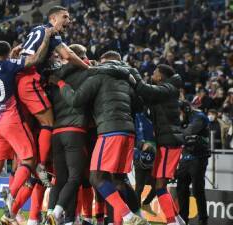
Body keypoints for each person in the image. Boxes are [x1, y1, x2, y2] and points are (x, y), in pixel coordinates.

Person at [50, 51, 148, 225]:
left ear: (104, 63)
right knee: (119, 179)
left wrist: (59, 82)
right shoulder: (126, 78)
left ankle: (127, 216)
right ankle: (137, 216)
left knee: (96, 178)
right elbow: (139, 105)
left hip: (109, 131)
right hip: (128, 132)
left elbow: (75, 100)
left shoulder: (98, 76)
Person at [0, 27, 55, 225]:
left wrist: (11, 56)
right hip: (11, 120)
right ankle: (10, 194)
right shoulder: (9, 66)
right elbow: (34, 60)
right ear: (8, 54)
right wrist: (45, 41)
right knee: (29, 160)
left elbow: (4, 63)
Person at [16, 6, 90, 186]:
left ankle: (22, 170)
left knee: (28, 129)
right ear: (53, 18)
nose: (69, 21)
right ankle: (40, 165)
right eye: (65, 17)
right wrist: (88, 68)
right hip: (29, 79)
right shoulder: (52, 33)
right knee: (48, 123)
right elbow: (68, 54)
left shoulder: (36, 30)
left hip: (19, 78)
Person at [132, 64, 186, 225]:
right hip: (165, 141)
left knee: (160, 186)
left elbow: (146, 90)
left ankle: (171, 222)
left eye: (154, 73)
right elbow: (143, 99)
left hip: (169, 141)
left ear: (161, 76)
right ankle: (177, 219)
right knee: (159, 184)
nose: (152, 74)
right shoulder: (165, 91)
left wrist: (133, 73)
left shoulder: (167, 89)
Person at [176, 101, 210, 225]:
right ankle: (183, 219)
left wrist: (179, 131)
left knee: (197, 189)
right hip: (185, 157)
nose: (177, 115)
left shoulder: (199, 117)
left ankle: (203, 219)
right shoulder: (184, 118)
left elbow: (187, 132)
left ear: (185, 110)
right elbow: (179, 133)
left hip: (199, 157)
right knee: (181, 188)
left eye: (179, 112)